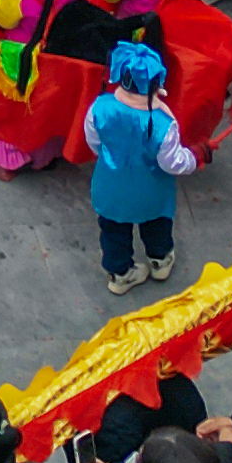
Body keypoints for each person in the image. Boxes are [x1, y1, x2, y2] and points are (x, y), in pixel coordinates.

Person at [84, 41, 199, 297]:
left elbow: (94, 140)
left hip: (110, 188)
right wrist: (195, 157)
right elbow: (173, 162)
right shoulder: (163, 123)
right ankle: (159, 261)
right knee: (157, 225)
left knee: (113, 232)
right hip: (152, 191)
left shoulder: (99, 108)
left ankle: (121, 274)